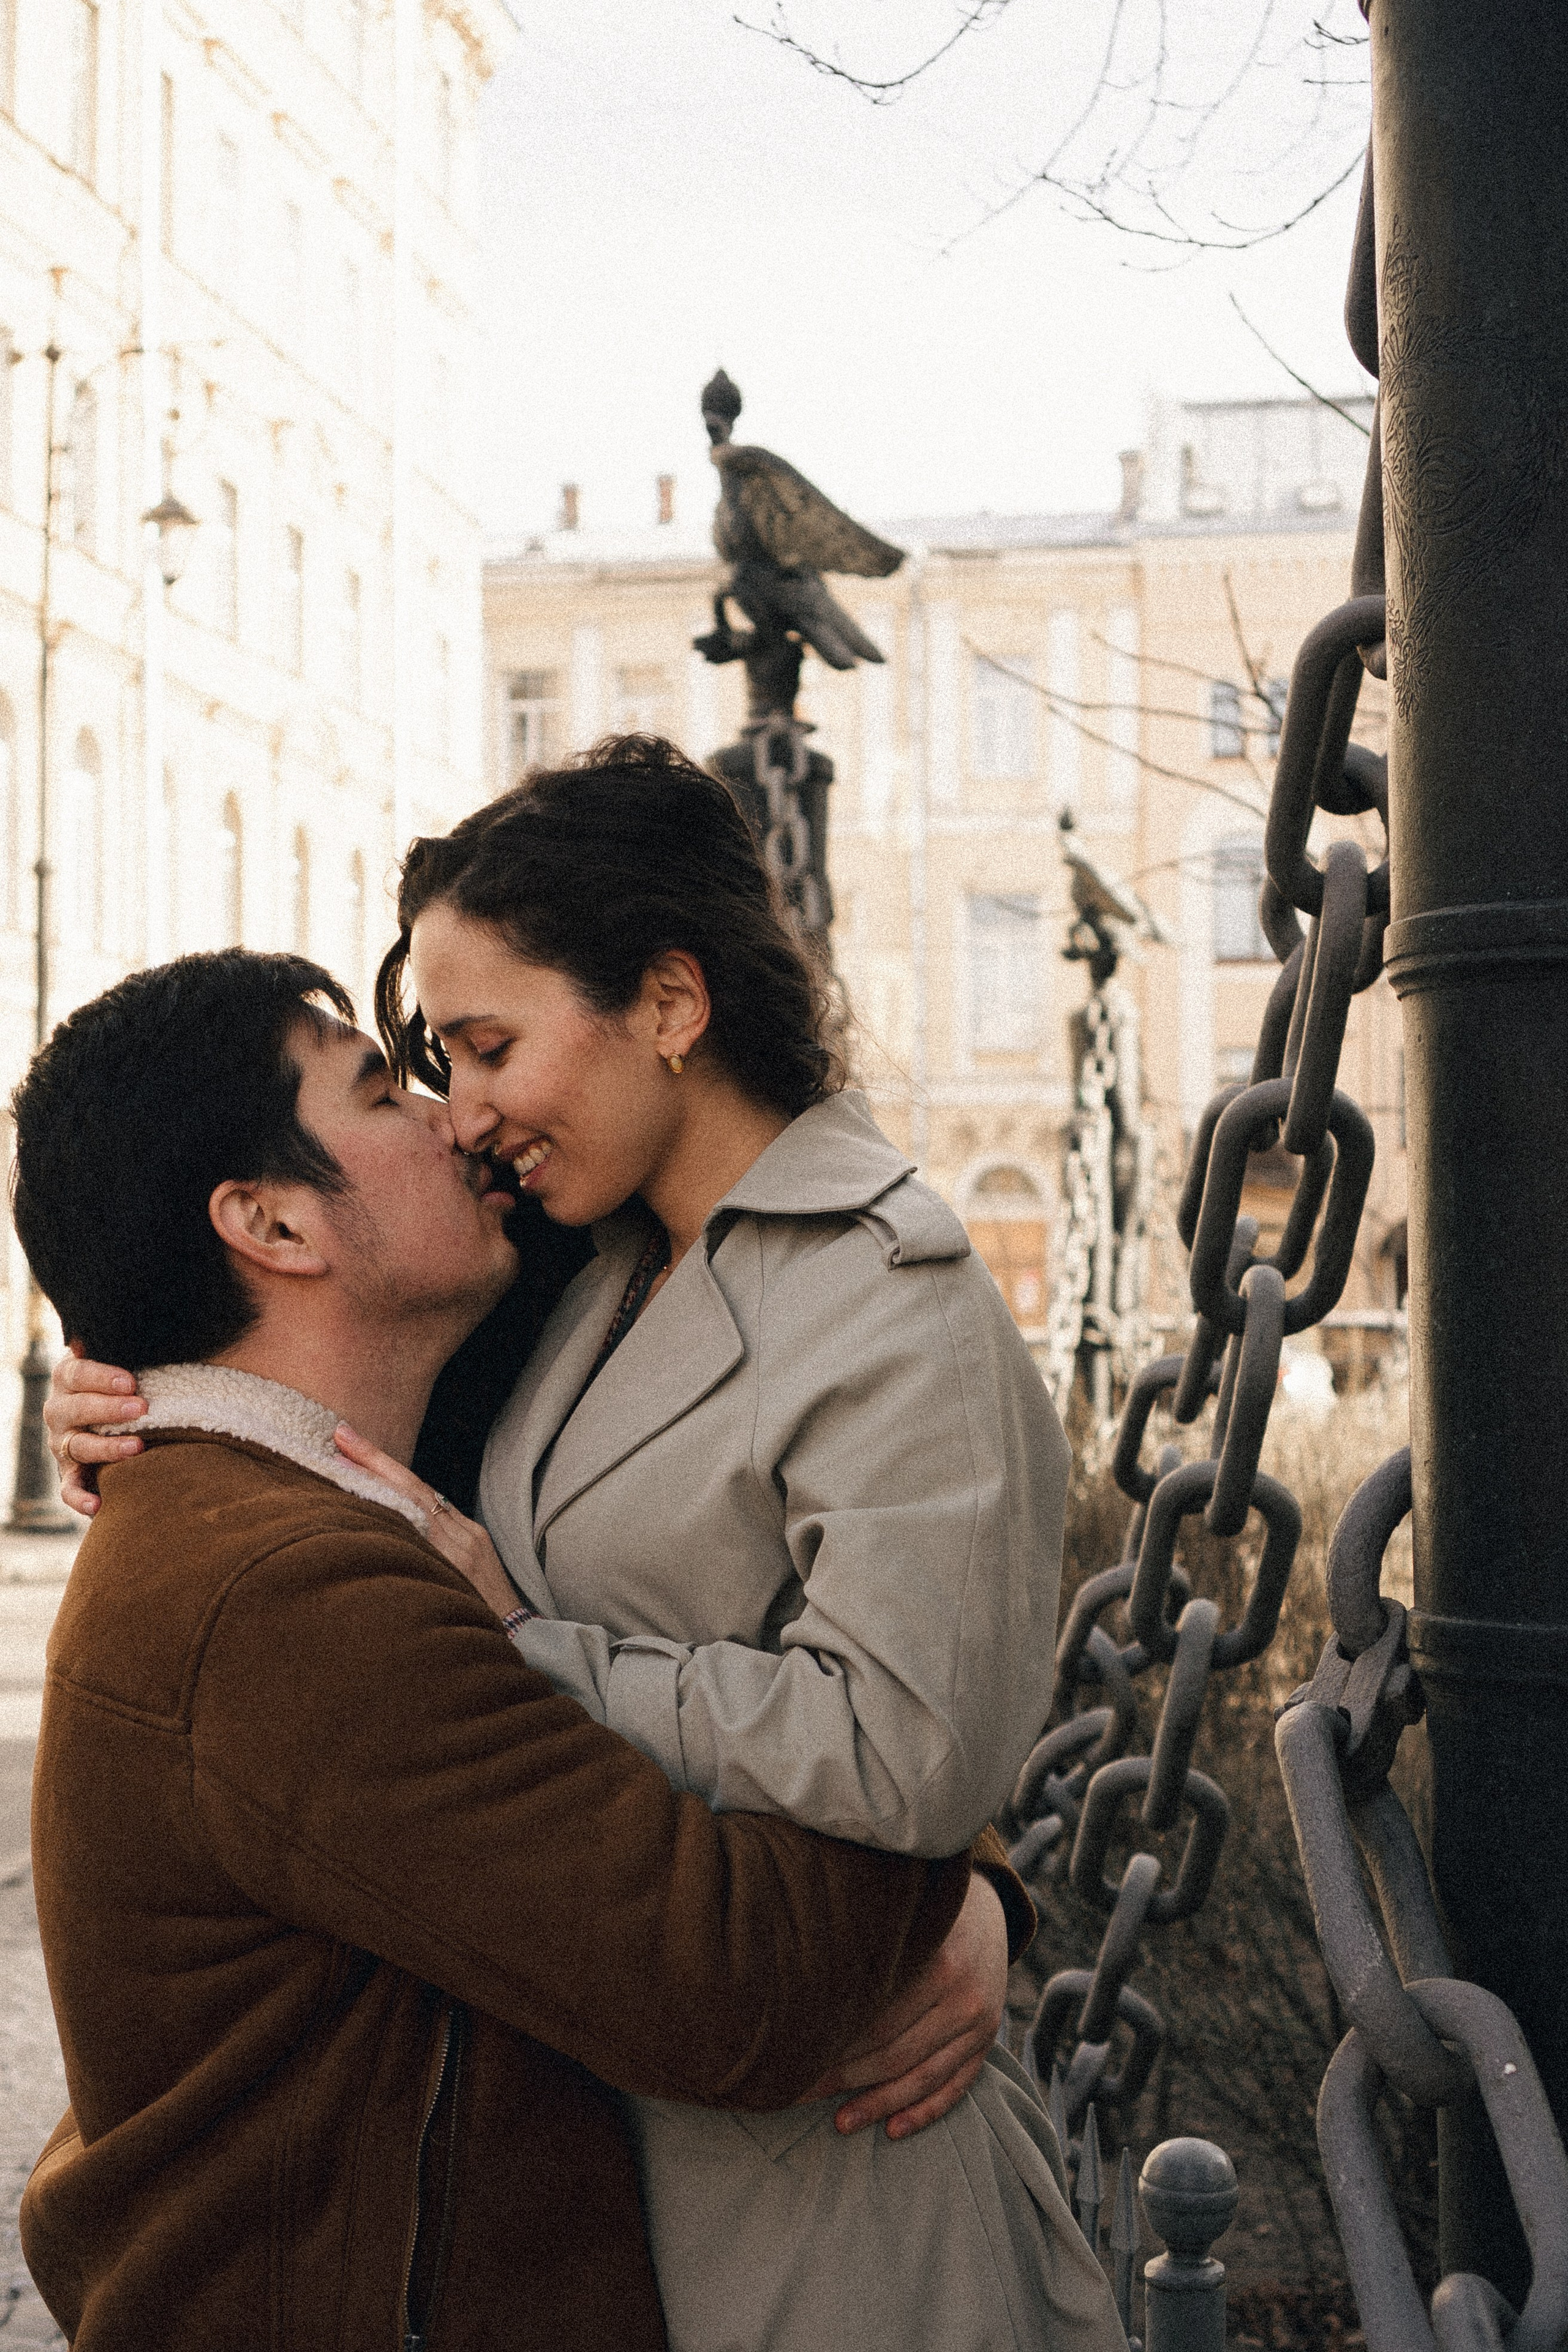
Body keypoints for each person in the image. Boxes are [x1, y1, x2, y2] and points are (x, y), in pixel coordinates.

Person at [50, 741, 1125, 2351]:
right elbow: (307, 1379)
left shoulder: (849, 1297)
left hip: (843, 2184)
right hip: (632, 2155)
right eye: (413, 1071)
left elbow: (896, 1722)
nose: (459, 1117)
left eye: (480, 1049)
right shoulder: (570, 1291)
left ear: (671, 1006)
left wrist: (972, 1884)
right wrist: (142, 1369)